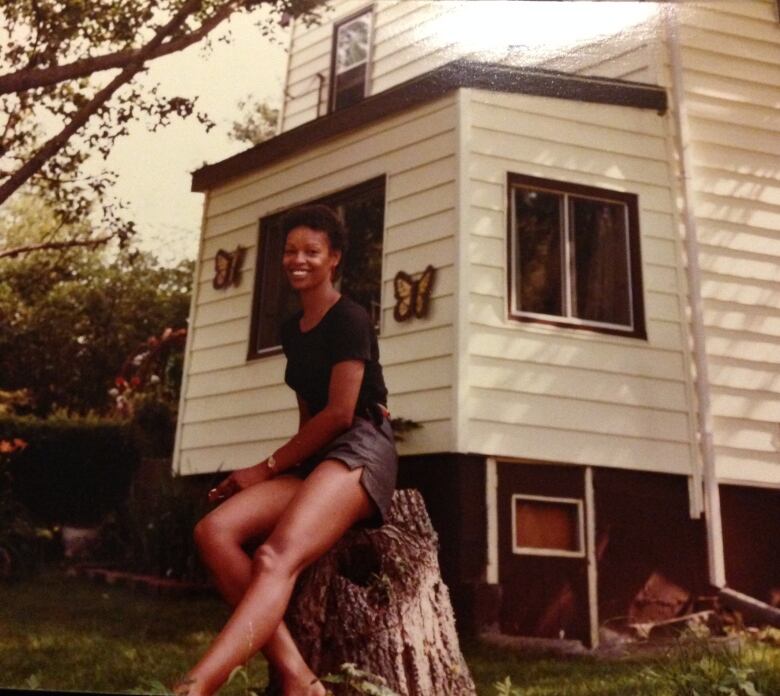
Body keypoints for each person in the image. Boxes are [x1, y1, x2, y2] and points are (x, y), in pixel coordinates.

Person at [176, 204, 398, 696]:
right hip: (317, 457)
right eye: (291, 250)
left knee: (275, 558)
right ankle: (298, 676)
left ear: (334, 258)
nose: (298, 260)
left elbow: (341, 413)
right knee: (214, 531)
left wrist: (266, 467)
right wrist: (285, 469)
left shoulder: (351, 319)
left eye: (312, 251)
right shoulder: (291, 331)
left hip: (361, 447)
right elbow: (309, 415)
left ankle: (194, 686)